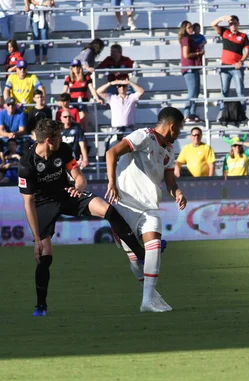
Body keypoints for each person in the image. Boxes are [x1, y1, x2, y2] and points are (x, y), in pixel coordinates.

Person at [18, 118, 146, 316]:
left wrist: (78, 187)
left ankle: (141, 254)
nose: (62, 139)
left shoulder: (64, 149)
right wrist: (36, 240)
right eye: (58, 137)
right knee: (45, 257)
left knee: (108, 209)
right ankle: (41, 305)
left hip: (66, 193)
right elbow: (28, 203)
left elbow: (79, 177)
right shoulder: (27, 165)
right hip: (42, 204)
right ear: (49, 141)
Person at [105, 107, 188, 312]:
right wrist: (111, 183)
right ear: (172, 126)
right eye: (179, 128)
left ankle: (147, 300)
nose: (180, 132)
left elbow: (170, 181)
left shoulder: (169, 149)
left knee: (154, 245)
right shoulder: (143, 136)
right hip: (125, 205)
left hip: (149, 207)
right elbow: (111, 152)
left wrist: (177, 192)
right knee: (135, 259)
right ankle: (151, 295)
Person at [211, 15, 249, 114]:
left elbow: (247, 51)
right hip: (225, 66)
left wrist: (241, 62)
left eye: (234, 23)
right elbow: (213, 24)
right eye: (230, 23)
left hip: (236, 67)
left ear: (238, 24)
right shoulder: (225, 32)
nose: (232, 25)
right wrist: (221, 18)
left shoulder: (243, 36)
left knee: (240, 91)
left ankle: (243, 111)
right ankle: (222, 111)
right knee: (224, 91)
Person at [96, 79, 144, 152]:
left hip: (129, 130)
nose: (122, 88)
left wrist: (130, 82)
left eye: (124, 86)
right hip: (116, 131)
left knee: (131, 152)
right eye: (120, 86)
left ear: (127, 87)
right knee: (111, 151)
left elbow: (141, 91)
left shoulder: (131, 98)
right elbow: (98, 91)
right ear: (117, 87)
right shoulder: (112, 98)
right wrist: (111, 83)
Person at [62, 59, 103, 131]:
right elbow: (64, 92)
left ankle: (83, 139)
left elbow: (91, 89)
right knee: (72, 122)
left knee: (83, 122)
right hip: (72, 104)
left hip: (83, 103)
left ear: (80, 67)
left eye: (77, 66)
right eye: (74, 66)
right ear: (71, 68)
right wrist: (61, 100)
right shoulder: (68, 78)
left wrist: (97, 99)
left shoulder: (86, 77)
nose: (76, 68)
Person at [178, 20, 204, 123]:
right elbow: (186, 54)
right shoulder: (185, 39)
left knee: (196, 92)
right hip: (189, 67)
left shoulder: (190, 39)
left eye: (191, 27)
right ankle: (186, 114)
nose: (191, 29)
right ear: (184, 29)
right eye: (188, 27)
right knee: (192, 91)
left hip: (194, 67)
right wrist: (198, 54)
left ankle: (192, 113)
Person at [24, 0, 54, 65]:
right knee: (36, 36)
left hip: (44, 13)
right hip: (35, 13)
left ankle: (44, 56)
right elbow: (31, 1)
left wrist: (51, 3)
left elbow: (51, 2)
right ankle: (37, 57)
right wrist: (42, 3)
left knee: (44, 36)